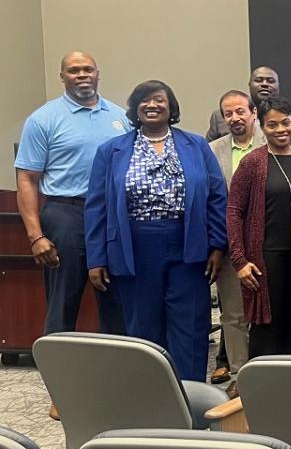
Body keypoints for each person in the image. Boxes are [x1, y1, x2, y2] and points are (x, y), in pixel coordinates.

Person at [83, 80, 227, 382]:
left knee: (190, 326)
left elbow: (216, 195)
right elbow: (97, 206)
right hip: (134, 248)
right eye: (144, 100)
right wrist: (96, 258)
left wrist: (217, 244)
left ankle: (191, 397)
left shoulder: (196, 145)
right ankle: (151, 396)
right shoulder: (111, 151)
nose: (152, 105)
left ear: (171, 107)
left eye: (159, 100)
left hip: (189, 245)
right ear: (135, 109)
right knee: (143, 327)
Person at [15, 52, 127, 338]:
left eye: (87, 69)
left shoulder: (119, 117)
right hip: (66, 213)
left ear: (98, 74)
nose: (82, 75)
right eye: (73, 70)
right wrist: (35, 236)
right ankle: (58, 373)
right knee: (63, 299)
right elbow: (27, 179)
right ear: (62, 76)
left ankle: (120, 370)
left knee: (117, 298)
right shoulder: (43, 120)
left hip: (111, 214)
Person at [227, 96, 291, 356]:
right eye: (272, 125)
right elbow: (234, 212)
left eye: (286, 123)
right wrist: (239, 260)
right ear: (261, 126)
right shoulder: (252, 163)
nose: (281, 130)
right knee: (269, 328)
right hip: (266, 259)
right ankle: (262, 388)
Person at [208, 90, 265, 392]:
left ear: (253, 113)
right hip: (229, 245)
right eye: (228, 113)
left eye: (240, 111)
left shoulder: (271, 143)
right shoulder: (212, 151)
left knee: (267, 312)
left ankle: (268, 373)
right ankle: (241, 378)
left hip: (268, 244)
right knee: (233, 314)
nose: (234, 118)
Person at [206, 66, 291, 158]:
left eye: (270, 81)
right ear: (249, 85)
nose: (265, 84)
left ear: (278, 86)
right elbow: (206, 155)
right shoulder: (220, 118)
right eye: (258, 80)